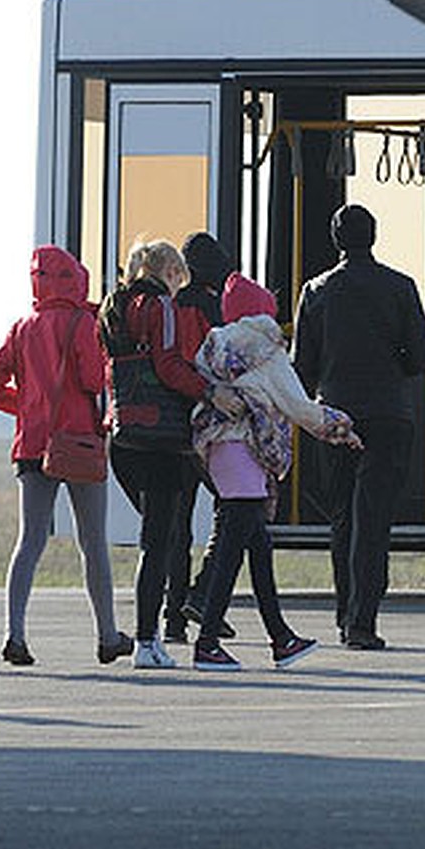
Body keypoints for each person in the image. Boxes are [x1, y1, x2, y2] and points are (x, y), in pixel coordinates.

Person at [191, 273, 360, 672]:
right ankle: (207, 642)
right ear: (263, 311)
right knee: (233, 551)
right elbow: (297, 405)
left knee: (258, 549)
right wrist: (341, 427)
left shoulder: (213, 344)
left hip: (218, 450)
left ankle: (281, 639)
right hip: (247, 451)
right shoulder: (266, 348)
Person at [0, 245, 133, 667]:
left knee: (29, 540)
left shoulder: (22, 326)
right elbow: (90, 380)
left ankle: (14, 633)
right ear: (76, 279)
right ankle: (107, 635)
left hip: (32, 444)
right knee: (92, 543)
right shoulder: (84, 323)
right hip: (79, 442)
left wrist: (28, 407)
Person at [291, 204, 425, 651]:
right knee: (373, 520)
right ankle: (362, 622)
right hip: (390, 414)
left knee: (343, 518)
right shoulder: (401, 287)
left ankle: (344, 613)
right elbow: (422, 358)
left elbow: (303, 366)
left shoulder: (315, 291)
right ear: (374, 236)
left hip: (336, 416)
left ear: (336, 240)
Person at [99, 239, 241, 670]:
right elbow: (168, 365)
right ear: (167, 270)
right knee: (157, 545)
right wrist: (211, 391)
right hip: (162, 437)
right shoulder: (158, 305)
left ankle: (153, 635)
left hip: (122, 434)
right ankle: (147, 640)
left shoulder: (111, 307)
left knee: (156, 538)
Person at [168, 231, 233, 644]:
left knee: (177, 525)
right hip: (213, 423)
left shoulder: (170, 307)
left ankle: (174, 618)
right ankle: (206, 593)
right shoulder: (219, 309)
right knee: (236, 508)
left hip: (174, 426)